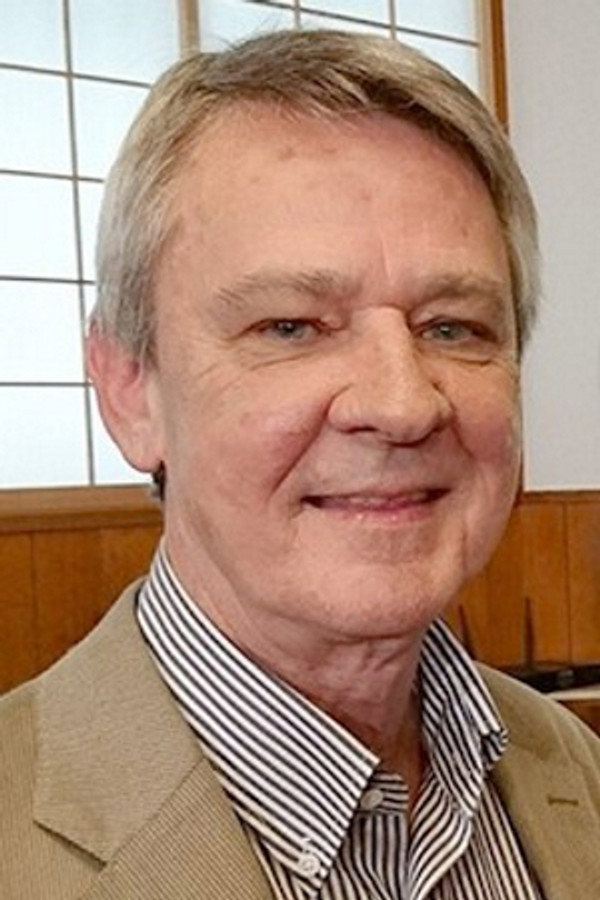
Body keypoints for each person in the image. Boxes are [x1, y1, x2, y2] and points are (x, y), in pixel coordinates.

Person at [2, 29, 599, 899]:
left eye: (453, 327)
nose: (402, 404)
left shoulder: (574, 772)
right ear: (130, 389)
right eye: (290, 326)